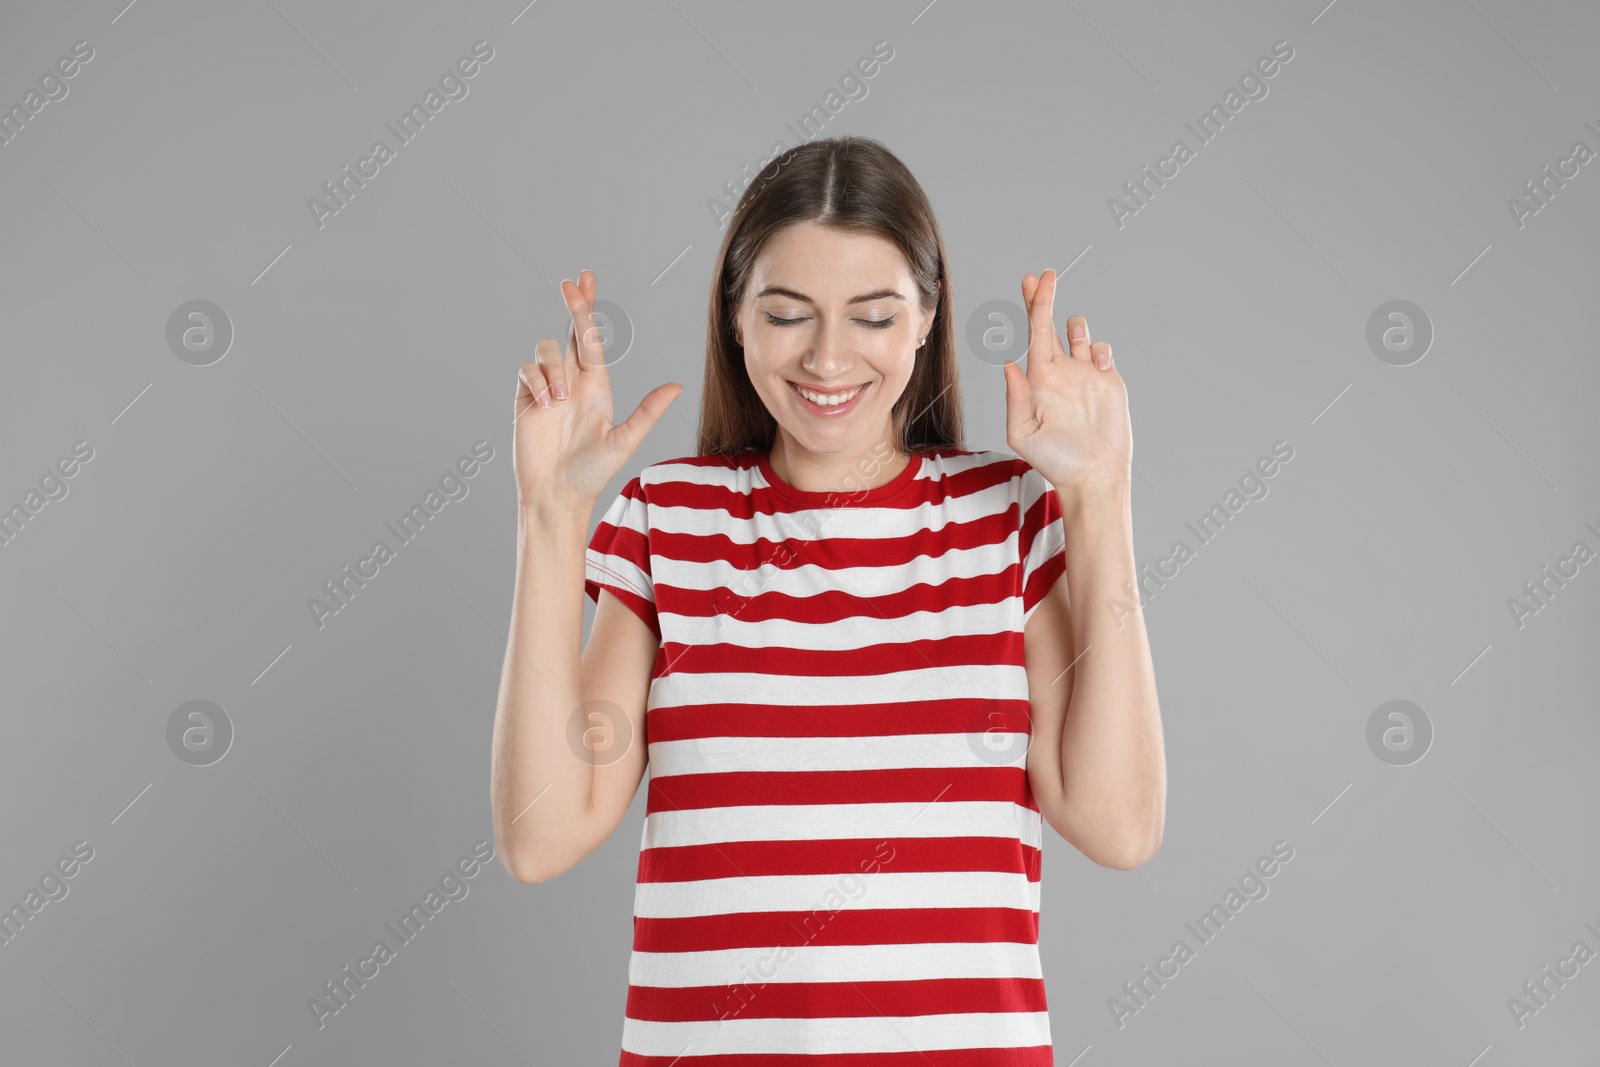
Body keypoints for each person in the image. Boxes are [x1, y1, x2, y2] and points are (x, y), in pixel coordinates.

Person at [490, 135, 1165, 1064]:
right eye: (787, 313)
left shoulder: (1009, 518)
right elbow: (540, 837)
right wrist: (550, 515)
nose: (828, 357)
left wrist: (1102, 494)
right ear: (736, 317)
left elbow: (1119, 823)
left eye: (874, 316)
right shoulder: (668, 520)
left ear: (927, 318)